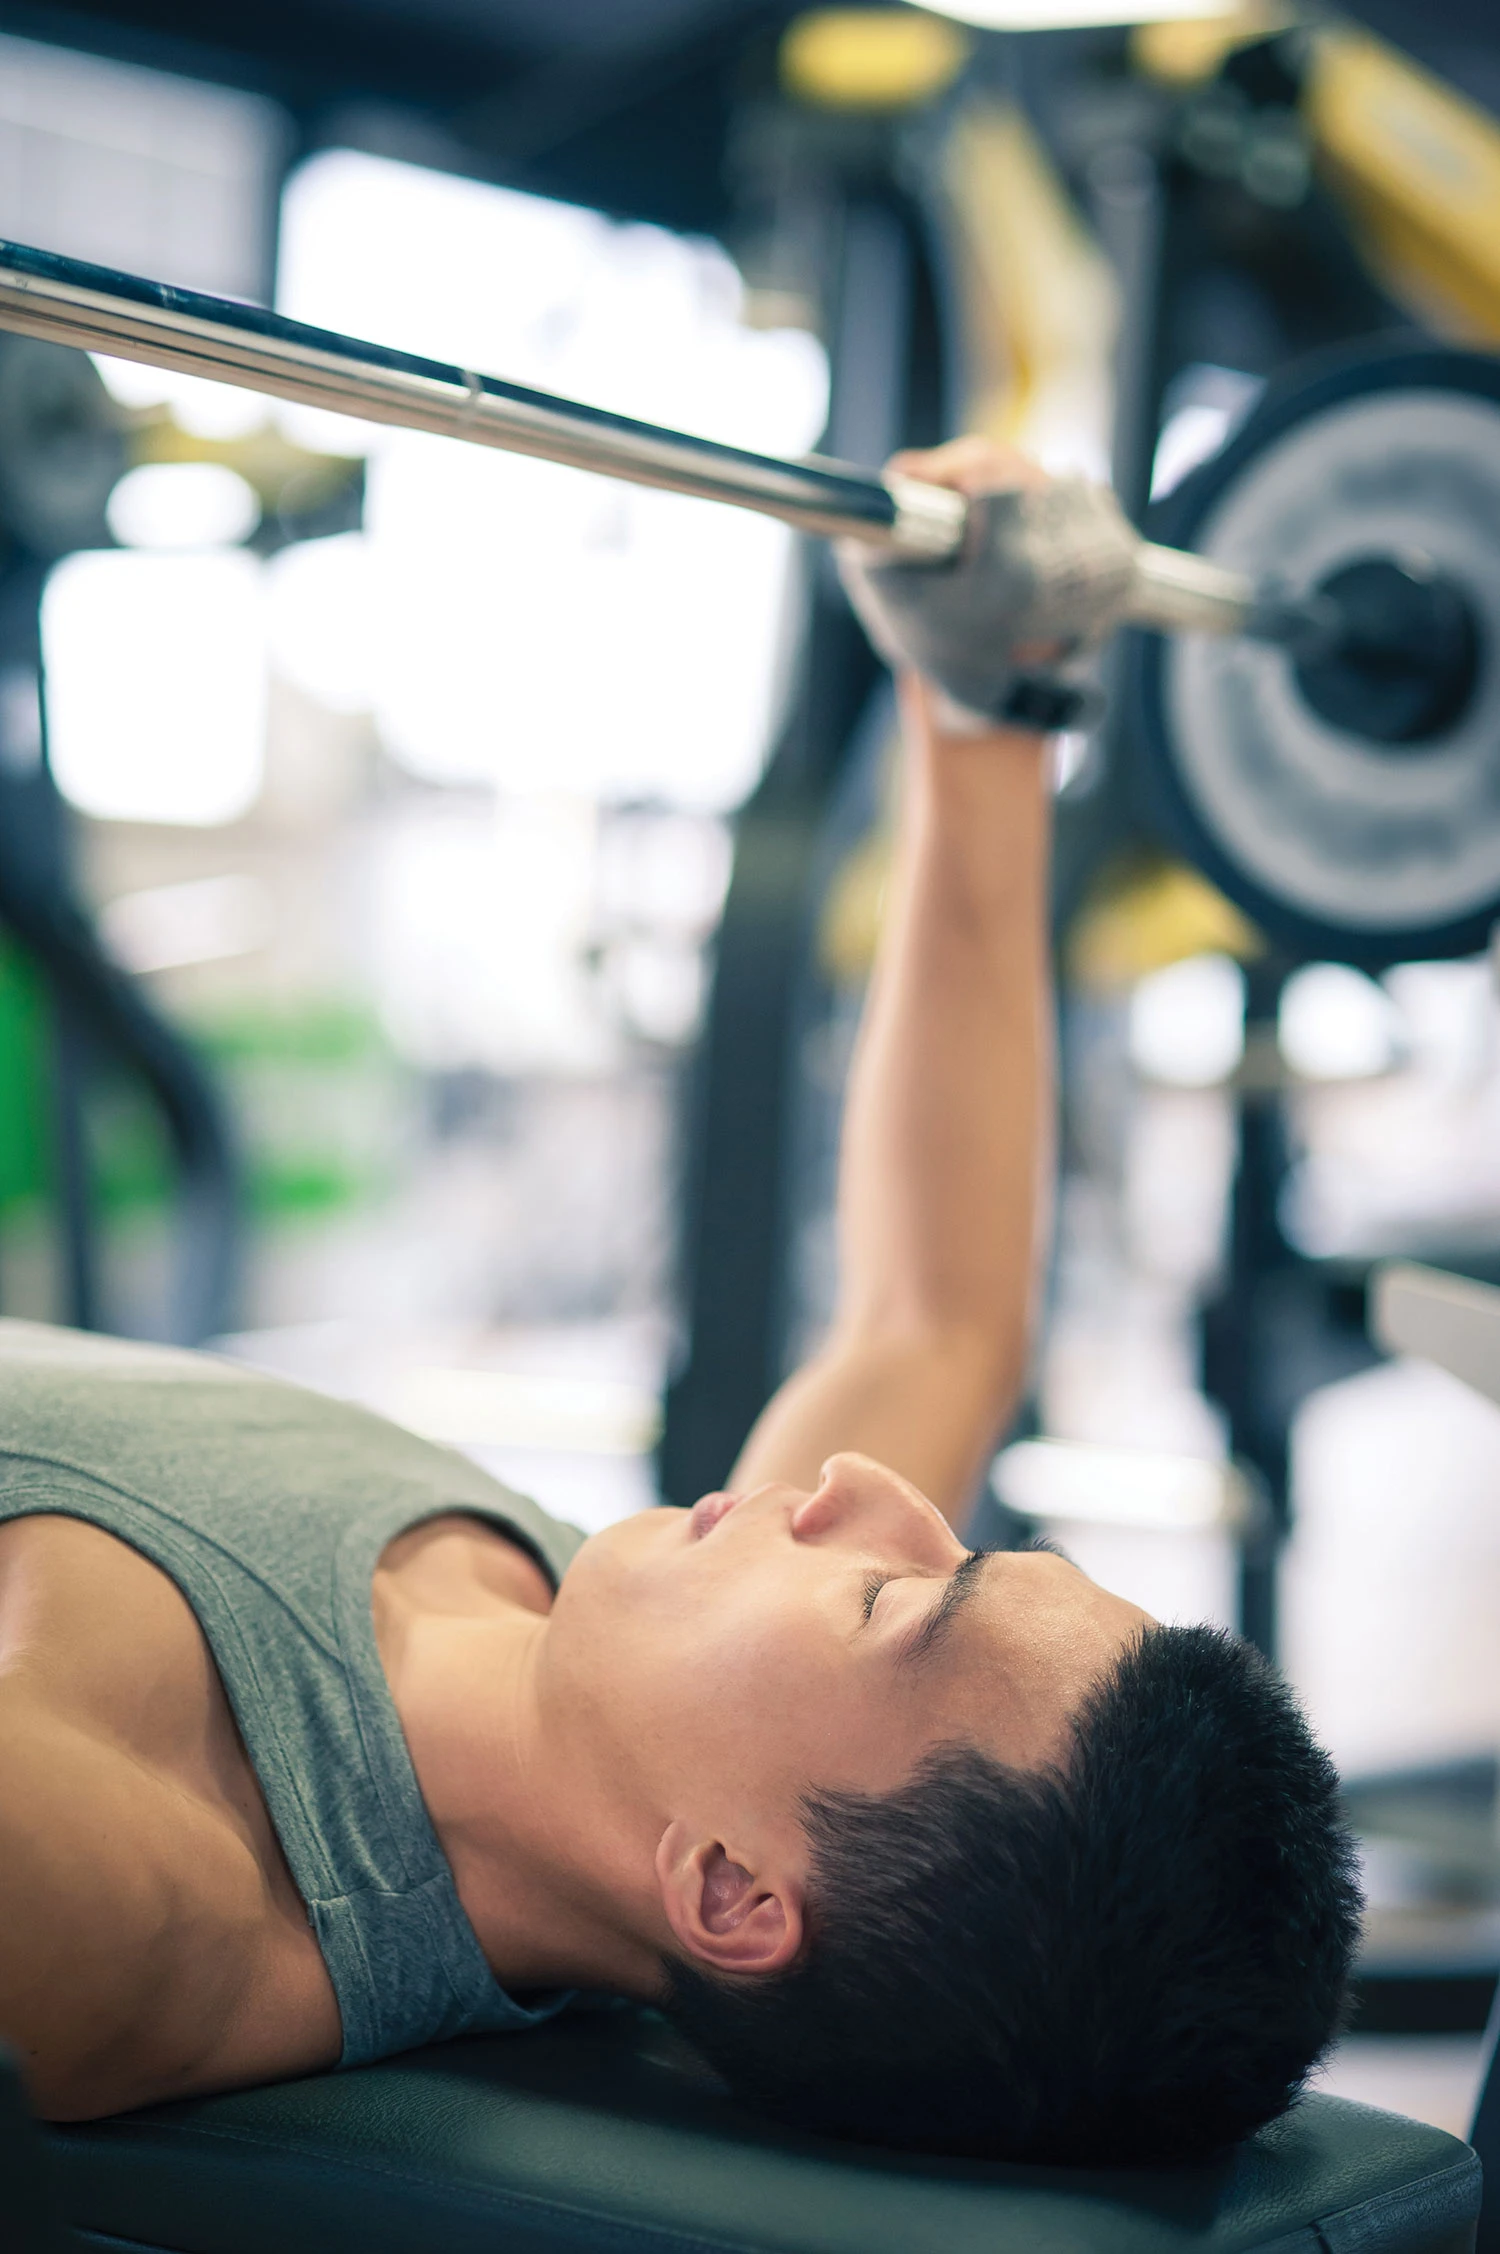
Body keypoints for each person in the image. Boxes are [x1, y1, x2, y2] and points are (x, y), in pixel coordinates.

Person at [0, 437, 1359, 2163]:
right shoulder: (587, 1621)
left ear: (729, 1886)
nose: (868, 1493)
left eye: (891, 1604)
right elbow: (942, 1313)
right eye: (955, 1545)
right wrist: (993, 698)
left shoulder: (157, 1892)